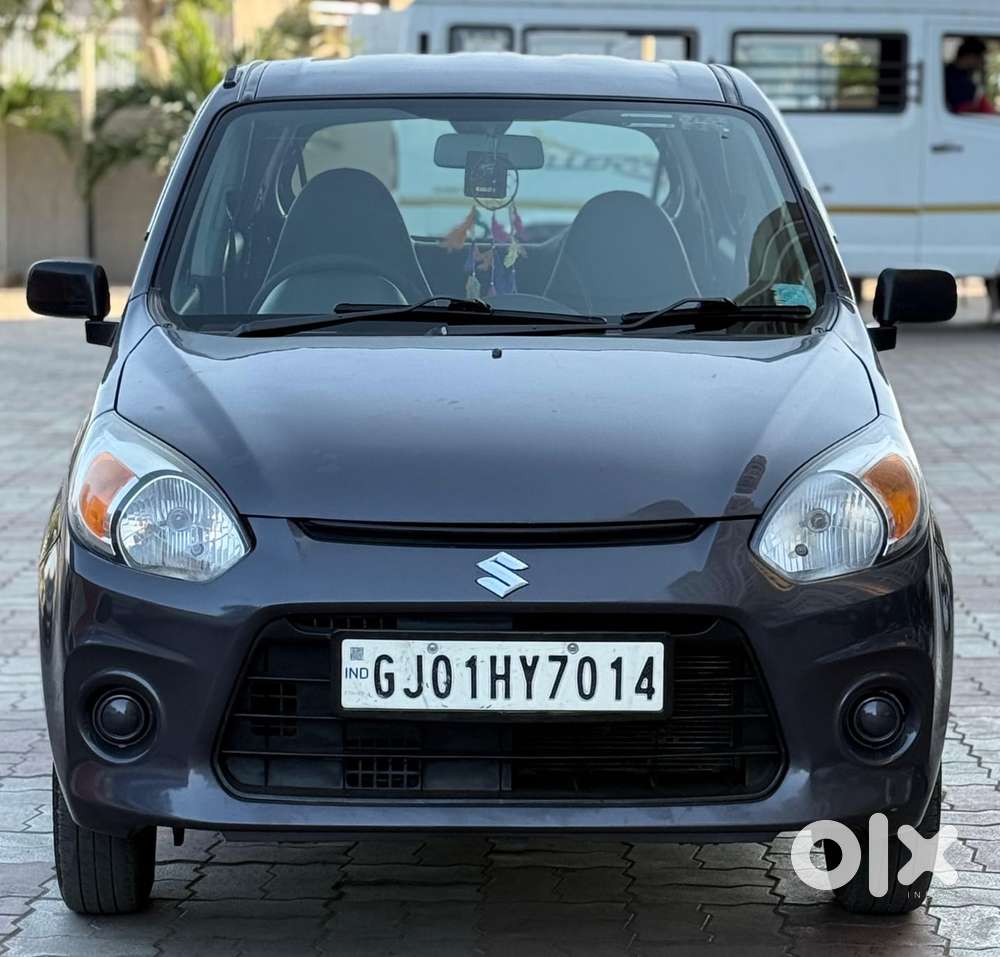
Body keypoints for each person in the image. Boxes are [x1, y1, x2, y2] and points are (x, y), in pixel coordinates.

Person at [945, 37, 996, 114]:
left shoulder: (948, 72)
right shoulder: (958, 81)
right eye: (981, 58)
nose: (983, 62)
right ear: (970, 56)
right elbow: (965, 112)